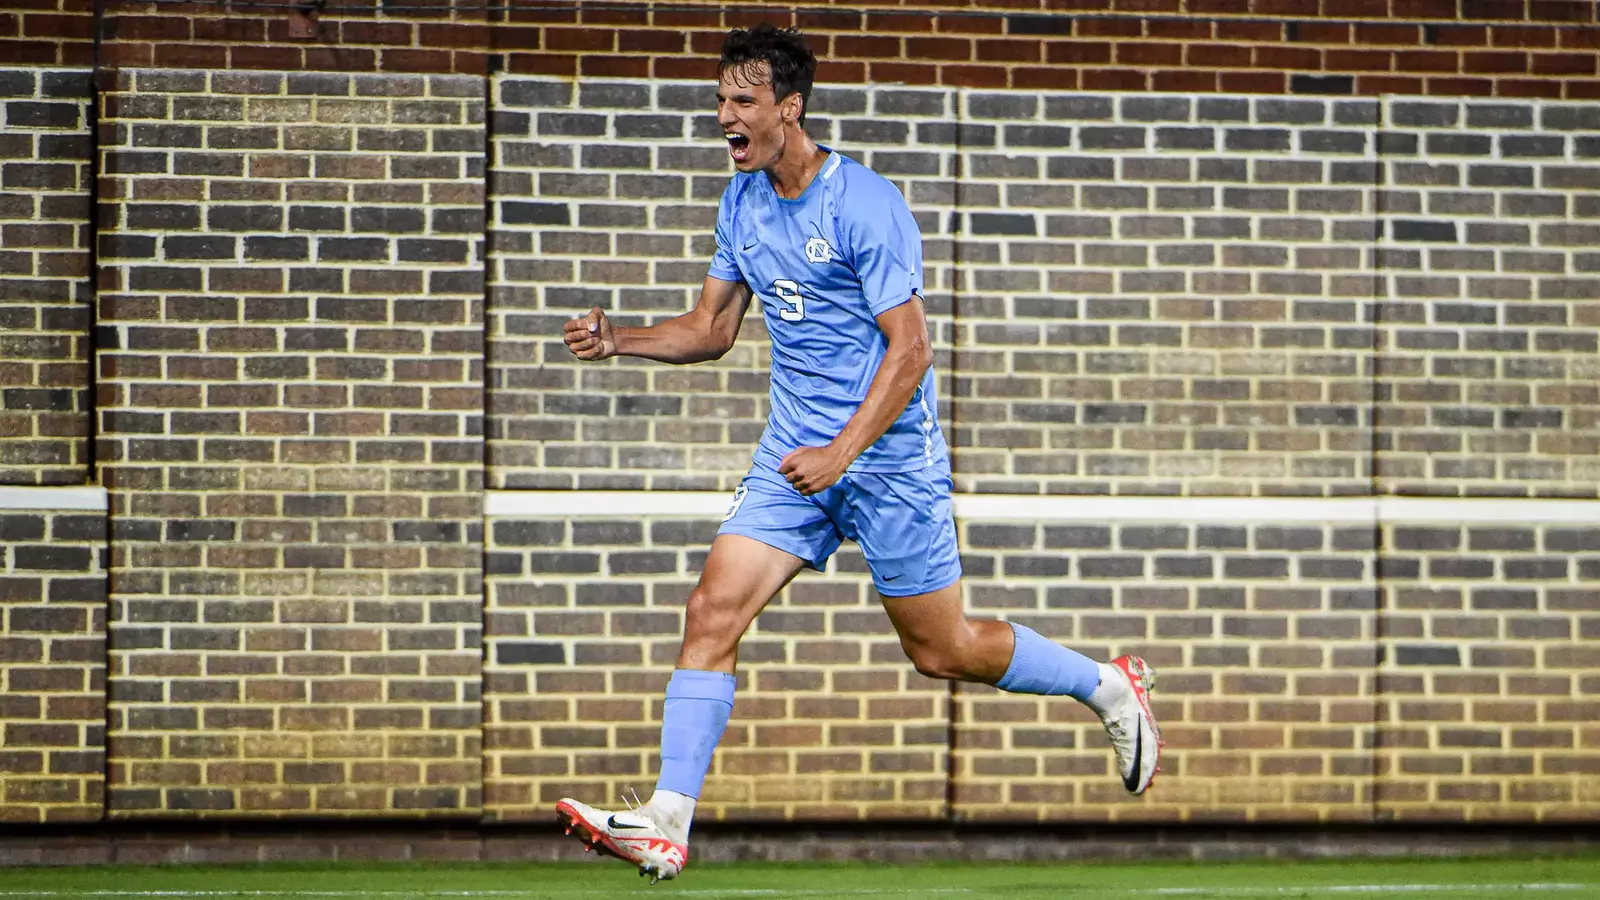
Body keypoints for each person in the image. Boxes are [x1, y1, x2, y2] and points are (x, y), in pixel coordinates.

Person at [555, 23, 1161, 884]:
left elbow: (911, 353)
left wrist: (843, 452)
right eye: (720, 100)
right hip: (793, 459)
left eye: (742, 102)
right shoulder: (741, 201)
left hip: (884, 461)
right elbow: (711, 329)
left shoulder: (867, 203)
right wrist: (620, 339)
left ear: (788, 108)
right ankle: (667, 820)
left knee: (942, 650)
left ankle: (1107, 687)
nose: (724, 117)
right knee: (709, 611)